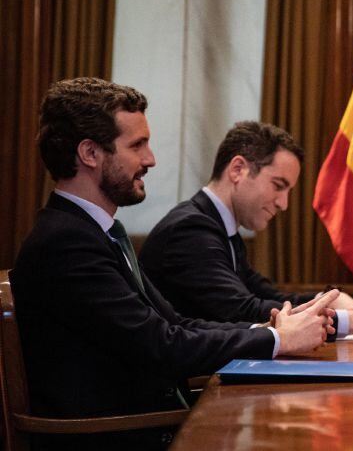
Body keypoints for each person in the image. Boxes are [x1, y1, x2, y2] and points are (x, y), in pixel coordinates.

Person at [12, 78, 336, 448]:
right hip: (118, 437)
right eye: (137, 145)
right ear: (90, 153)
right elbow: (164, 346)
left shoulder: (98, 232)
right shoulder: (66, 241)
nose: (151, 159)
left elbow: (176, 324)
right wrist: (276, 339)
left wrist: (268, 327)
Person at [140, 121, 353, 338]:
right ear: (238, 169)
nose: (284, 204)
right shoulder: (190, 230)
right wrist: (345, 322)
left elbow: (266, 294)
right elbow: (241, 310)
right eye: (278, 185)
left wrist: (328, 299)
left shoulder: (221, 226)